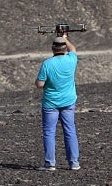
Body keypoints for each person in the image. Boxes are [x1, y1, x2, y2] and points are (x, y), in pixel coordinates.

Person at [34, 33, 80, 171]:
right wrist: (65, 38)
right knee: (70, 130)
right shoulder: (71, 59)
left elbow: (39, 84)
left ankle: (50, 163)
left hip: (51, 103)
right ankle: (74, 162)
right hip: (68, 101)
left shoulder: (47, 64)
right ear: (64, 48)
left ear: (53, 49)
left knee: (49, 132)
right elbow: (74, 49)